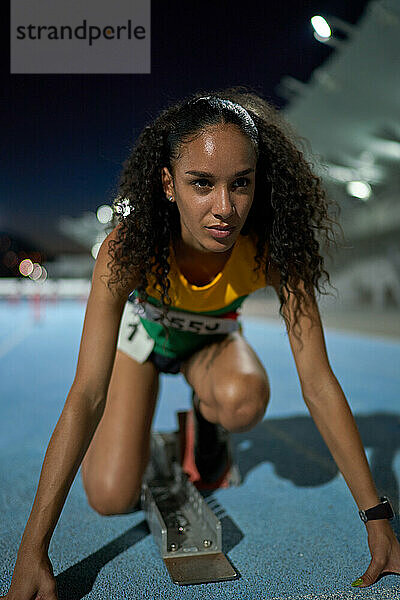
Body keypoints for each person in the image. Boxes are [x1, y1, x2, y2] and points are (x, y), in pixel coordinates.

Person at [2, 88, 399, 599]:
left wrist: (377, 516)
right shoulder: (128, 249)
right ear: (168, 184)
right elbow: (86, 395)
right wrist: (32, 549)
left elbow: (318, 383)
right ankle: (162, 428)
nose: (225, 209)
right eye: (201, 184)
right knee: (109, 497)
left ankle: (207, 420)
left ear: (259, 183)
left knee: (243, 399)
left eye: (241, 184)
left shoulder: (274, 252)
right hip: (144, 344)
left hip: (209, 347)